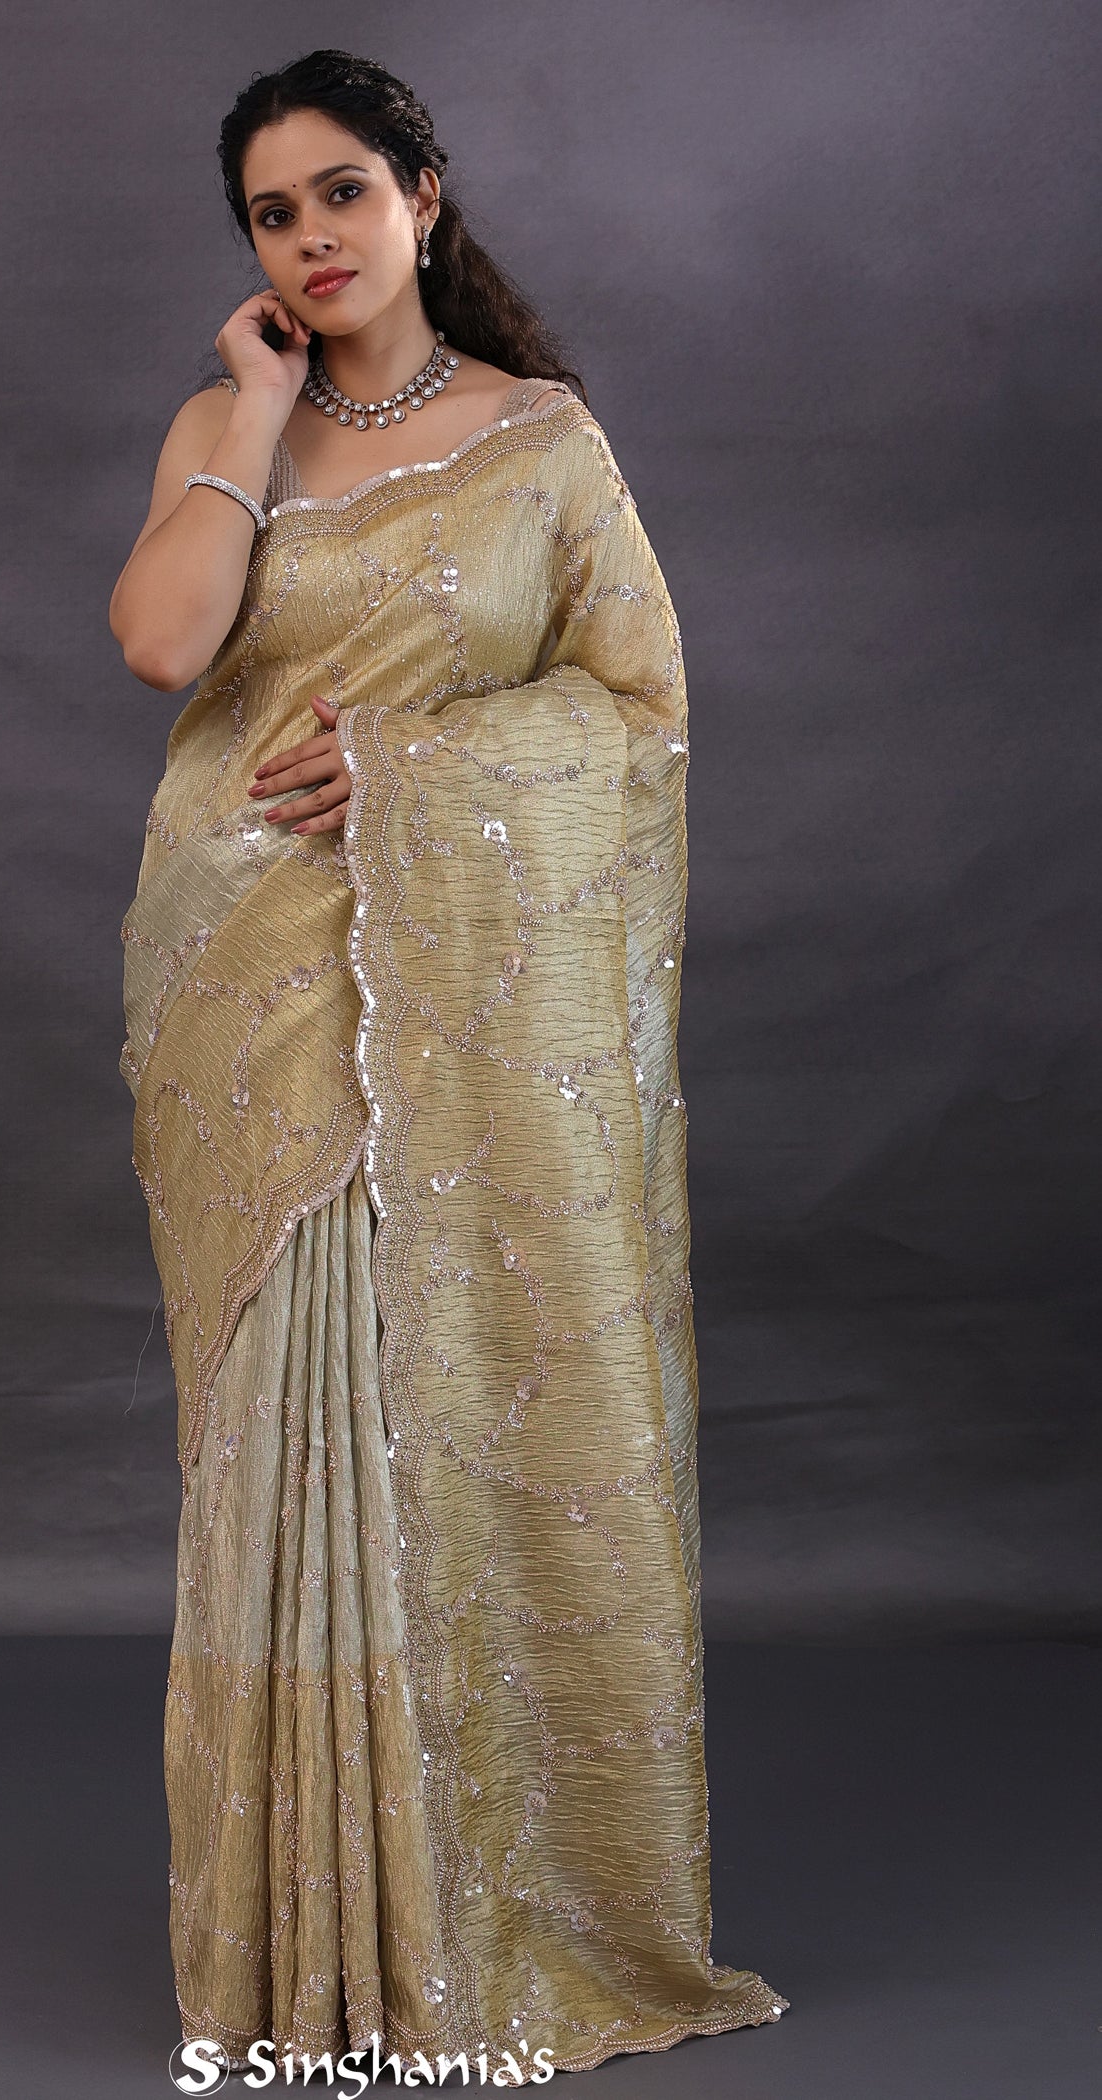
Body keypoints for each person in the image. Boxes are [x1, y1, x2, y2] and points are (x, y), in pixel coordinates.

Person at [109, 47, 790, 2084]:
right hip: (248, 1002)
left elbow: (641, 713)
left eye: (342, 193)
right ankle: (301, 1963)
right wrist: (250, 414)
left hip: (458, 1012)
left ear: (423, 195)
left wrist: (411, 768)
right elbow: (163, 646)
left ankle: (456, 1931)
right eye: (272, 213)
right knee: (281, 1443)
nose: (311, 239)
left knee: (436, 1422)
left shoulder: (542, 442)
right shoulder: (226, 427)